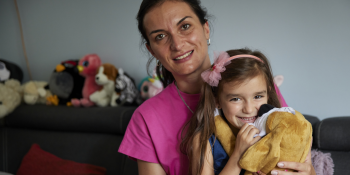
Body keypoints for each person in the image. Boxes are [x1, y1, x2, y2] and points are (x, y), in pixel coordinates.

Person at [118, 0, 315, 175]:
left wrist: (306, 172)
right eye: (160, 36)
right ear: (151, 49)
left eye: (185, 26)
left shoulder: (256, 86)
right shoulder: (145, 118)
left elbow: (298, 153)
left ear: (205, 29)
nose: (177, 44)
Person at [181, 49, 312, 175]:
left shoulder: (285, 129)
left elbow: (308, 169)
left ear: (268, 93)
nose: (249, 109)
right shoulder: (204, 140)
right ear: (217, 101)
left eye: (258, 96)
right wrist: (238, 155)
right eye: (236, 99)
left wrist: (308, 173)